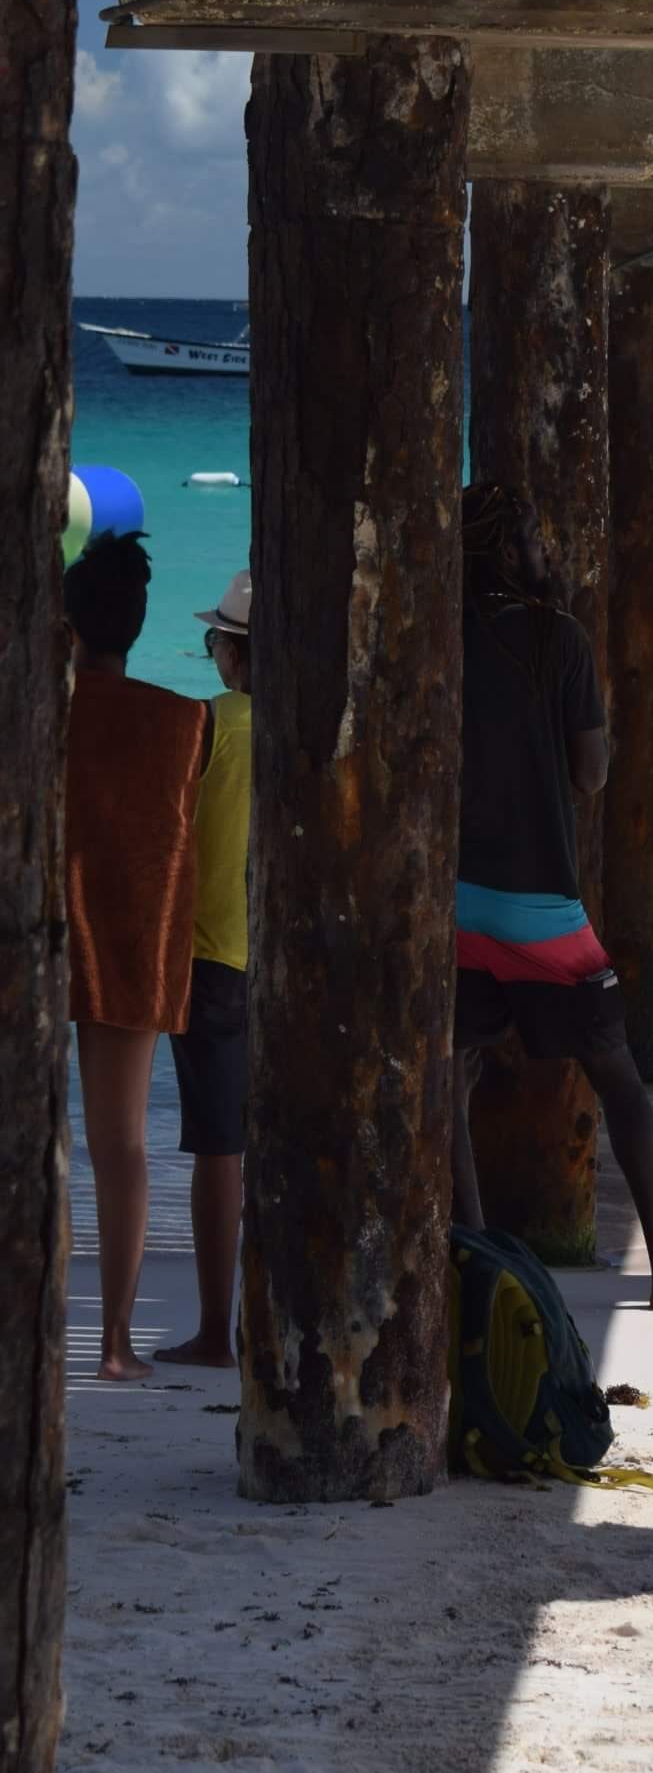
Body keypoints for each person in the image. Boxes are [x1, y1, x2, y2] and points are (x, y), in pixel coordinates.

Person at [451, 483, 653, 1311]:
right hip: (539, 903)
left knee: (451, 1079)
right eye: (537, 538)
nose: (547, 553)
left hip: (455, 902)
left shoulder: (436, 632)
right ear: (511, 550)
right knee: (618, 1077)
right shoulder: (557, 639)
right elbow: (593, 772)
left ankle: (473, 1258)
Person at [63, 532, 206, 1381]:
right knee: (120, 1147)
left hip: (37, 935)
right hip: (134, 939)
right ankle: (114, 1344)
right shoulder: (184, 722)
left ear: (66, 625)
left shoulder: (44, 712)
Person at [157, 571, 253, 1370]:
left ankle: (216, 1329)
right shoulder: (312, 725)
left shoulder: (205, 724)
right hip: (301, 964)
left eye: (215, 639)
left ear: (229, 652)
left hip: (215, 958)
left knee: (221, 1150)